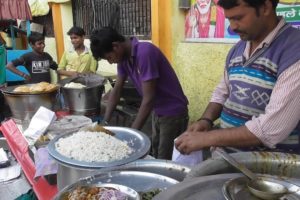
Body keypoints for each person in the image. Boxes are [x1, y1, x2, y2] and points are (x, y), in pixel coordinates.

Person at [176, 0, 300, 155]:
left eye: (238, 18)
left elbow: (271, 128)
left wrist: (208, 138)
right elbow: (222, 92)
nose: (232, 27)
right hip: (227, 162)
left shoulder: (294, 50)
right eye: (229, 19)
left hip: (270, 171)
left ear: (266, 7)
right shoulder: (238, 48)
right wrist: (206, 120)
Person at [90, 27, 189, 160]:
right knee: (156, 151)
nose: (110, 61)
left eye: (109, 57)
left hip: (173, 113)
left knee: (166, 158)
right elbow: (117, 90)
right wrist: (105, 122)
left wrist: (132, 133)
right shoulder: (124, 59)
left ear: (116, 46)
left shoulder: (144, 52)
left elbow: (149, 98)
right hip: (158, 111)